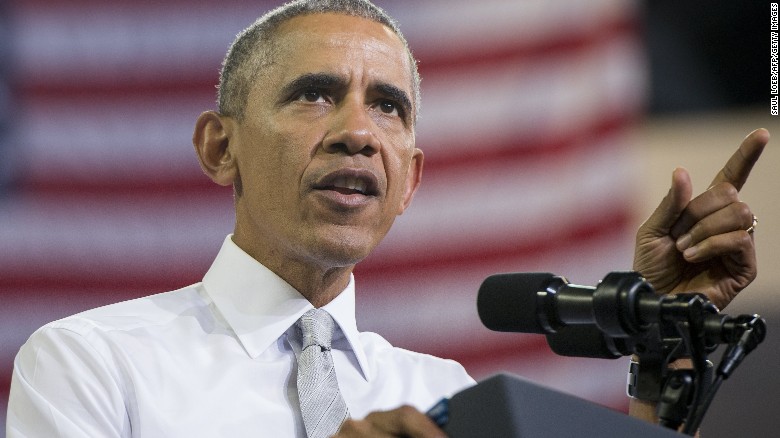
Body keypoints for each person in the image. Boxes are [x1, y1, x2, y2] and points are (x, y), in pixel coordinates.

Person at [6, 0, 769, 437]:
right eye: (312, 94)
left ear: (410, 181)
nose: (358, 132)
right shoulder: (91, 364)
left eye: (389, 107)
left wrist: (668, 344)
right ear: (219, 145)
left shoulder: (443, 391)